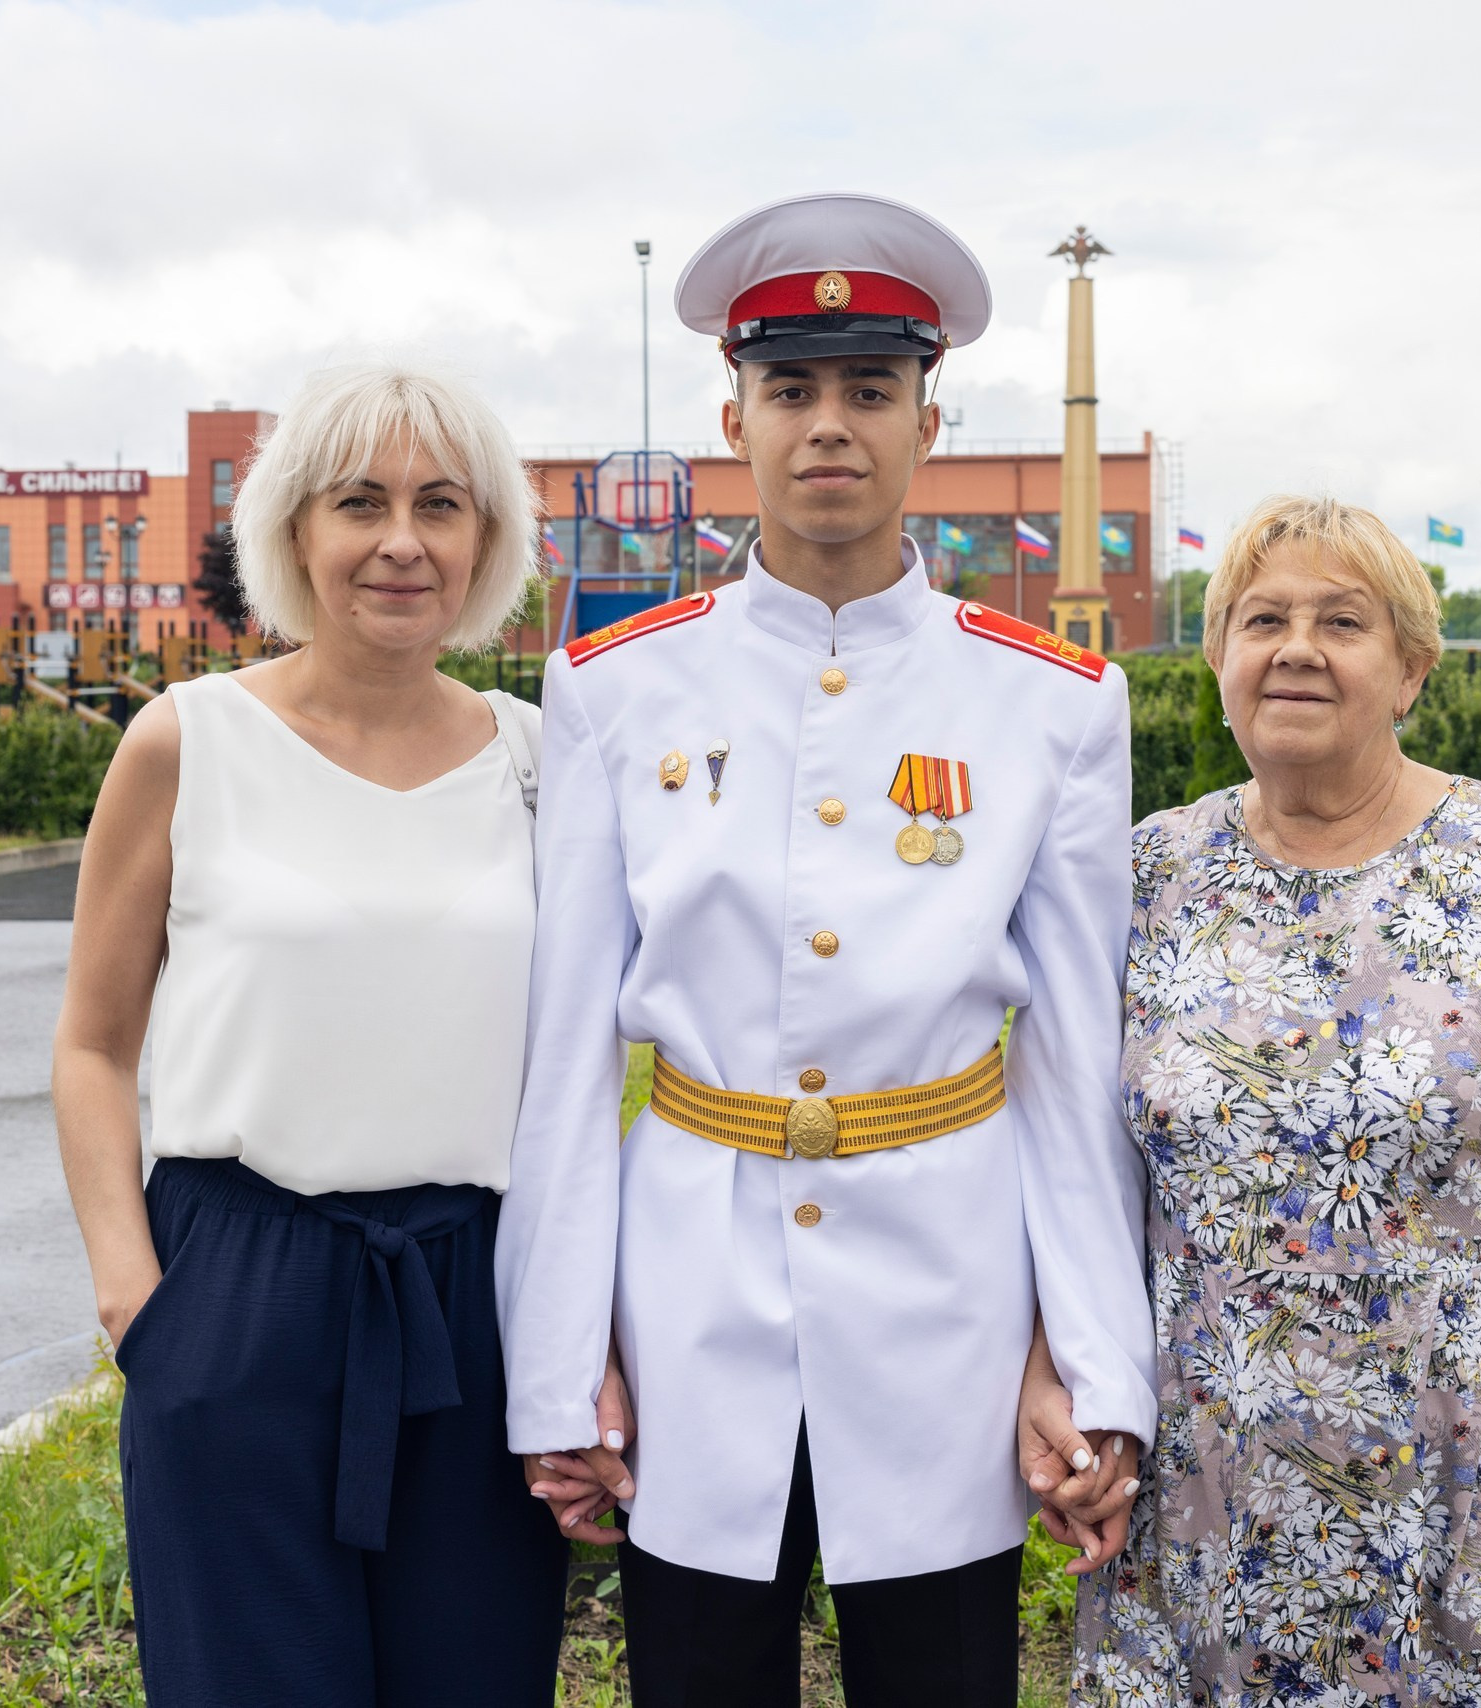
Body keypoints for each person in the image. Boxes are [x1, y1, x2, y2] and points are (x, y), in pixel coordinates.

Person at [495, 191, 1157, 1708]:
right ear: (734, 416)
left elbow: (1069, 1065)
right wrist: (556, 1365)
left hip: (945, 1301)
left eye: (871, 390)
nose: (829, 426)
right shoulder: (616, 689)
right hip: (690, 1295)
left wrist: (1097, 1366)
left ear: (930, 419)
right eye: (791, 390)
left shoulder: (1051, 704)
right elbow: (565, 1063)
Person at [1063, 495, 1481, 1706]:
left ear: (1409, 670)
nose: (1295, 647)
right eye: (1262, 619)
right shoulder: (1141, 878)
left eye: (1341, 621)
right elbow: (1073, 1175)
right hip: (1217, 1516)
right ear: (1219, 664)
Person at [52, 363, 565, 1706]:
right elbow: (94, 1045)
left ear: (485, 543)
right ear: (294, 535)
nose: (402, 539)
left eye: (441, 505)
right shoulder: (189, 743)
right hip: (239, 1285)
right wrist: (136, 1298)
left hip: (475, 1301)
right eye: (361, 502)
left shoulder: (543, 762)